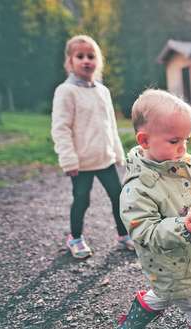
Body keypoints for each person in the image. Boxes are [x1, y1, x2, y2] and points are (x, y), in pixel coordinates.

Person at [115, 89, 191, 329]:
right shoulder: (138, 188)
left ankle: (131, 325)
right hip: (171, 261)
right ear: (144, 141)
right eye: (174, 141)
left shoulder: (184, 163)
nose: (182, 147)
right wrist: (184, 227)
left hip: (189, 258)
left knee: (163, 294)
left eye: (186, 139)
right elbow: (144, 231)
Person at [51, 35, 134, 258]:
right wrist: (68, 160)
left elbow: (111, 125)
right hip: (82, 162)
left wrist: (117, 153)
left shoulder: (102, 91)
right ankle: (75, 238)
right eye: (80, 56)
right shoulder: (66, 91)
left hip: (104, 158)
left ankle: (124, 234)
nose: (86, 60)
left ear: (98, 61)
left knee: (118, 196)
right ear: (70, 62)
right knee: (82, 199)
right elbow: (61, 129)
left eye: (91, 56)